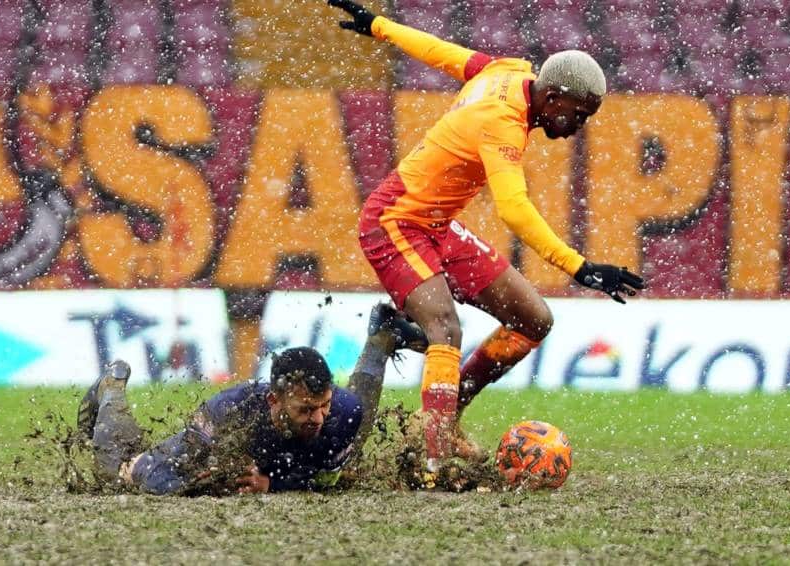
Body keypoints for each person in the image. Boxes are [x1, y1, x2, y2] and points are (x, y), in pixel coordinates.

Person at [327, 0, 646, 471]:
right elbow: (514, 210)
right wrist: (580, 267)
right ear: (553, 96)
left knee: (534, 320)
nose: (578, 126)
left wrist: (380, 26)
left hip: (435, 224)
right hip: (395, 221)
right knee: (445, 328)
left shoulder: (507, 71)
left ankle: (447, 412)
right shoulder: (504, 124)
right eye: (578, 114)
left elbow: (442, 52)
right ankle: (434, 462)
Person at [76, 303, 426, 495]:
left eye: (323, 405)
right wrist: (207, 482)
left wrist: (272, 484)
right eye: (305, 409)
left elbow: (324, 481)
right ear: (274, 400)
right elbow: (166, 478)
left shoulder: (343, 411)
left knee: (350, 438)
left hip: (290, 454)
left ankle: (381, 339)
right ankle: (111, 388)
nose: (318, 417)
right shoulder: (228, 414)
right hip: (196, 447)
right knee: (122, 472)